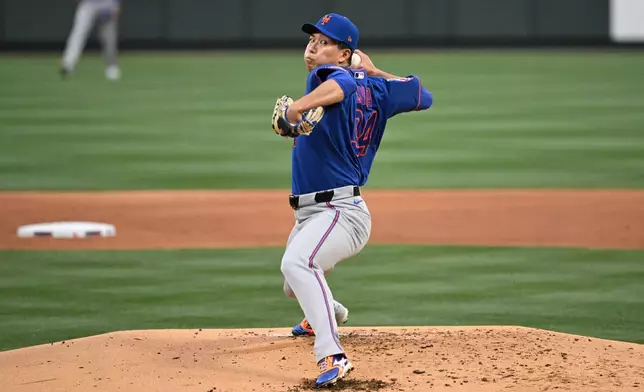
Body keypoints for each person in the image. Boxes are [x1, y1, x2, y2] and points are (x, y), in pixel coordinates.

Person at [271, 13, 433, 387]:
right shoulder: (378, 89)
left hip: (339, 211)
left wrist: (297, 108)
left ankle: (332, 354)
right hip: (319, 213)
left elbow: (340, 87)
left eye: (324, 41)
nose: (313, 45)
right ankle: (325, 313)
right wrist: (375, 72)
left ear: (345, 54)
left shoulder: (327, 77)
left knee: (298, 263)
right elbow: (422, 96)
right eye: (312, 38)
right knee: (292, 283)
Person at [60, 0, 121, 81]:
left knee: (109, 37)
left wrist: (116, 4)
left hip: (107, 3)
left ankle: (111, 67)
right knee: (79, 32)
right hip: (88, 3)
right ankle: (68, 64)